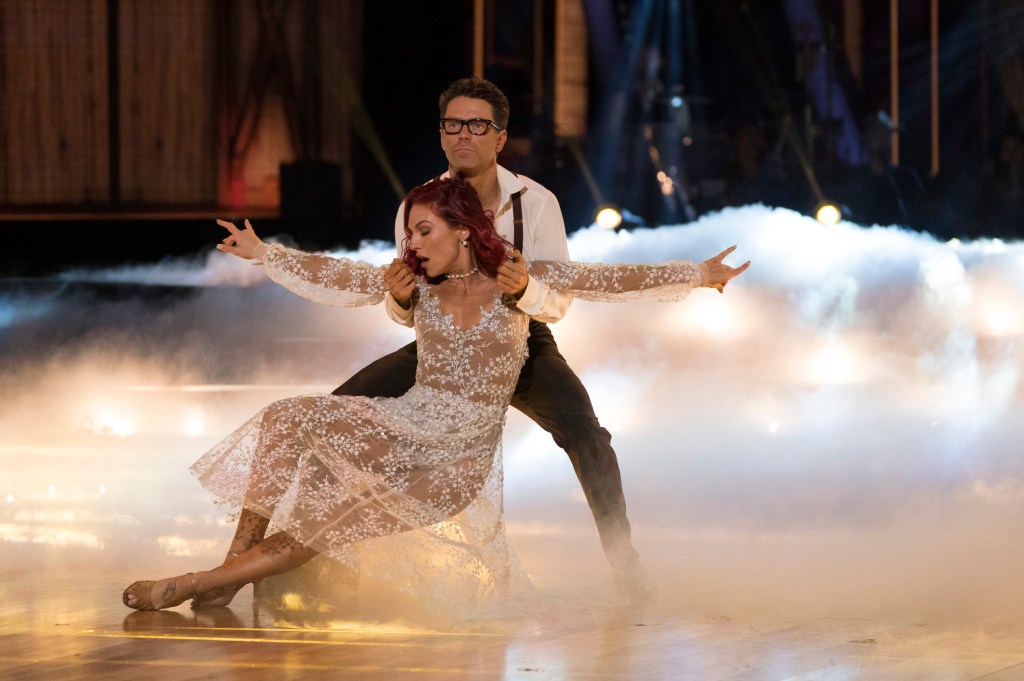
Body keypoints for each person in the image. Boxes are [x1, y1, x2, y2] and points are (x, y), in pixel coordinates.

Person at [121, 175, 748, 612]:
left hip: (457, 459)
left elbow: (611, 279)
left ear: (464, 232)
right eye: (409, 233)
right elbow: (337, 272)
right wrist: (263, 254)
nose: (411, 244)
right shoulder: (416, 285)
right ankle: (230, 569)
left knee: (326, 522)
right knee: (289, 418)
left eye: (422, 232)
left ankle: (192, 582)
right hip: (408, 423)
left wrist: (700, 274)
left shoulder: (517, 275)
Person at [335, 77, 658, 599]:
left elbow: (561, 300)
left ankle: (625, 562)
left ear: (500, 138)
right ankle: (328, 554)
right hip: (443, 351)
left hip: (523, 343)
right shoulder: (417, 205)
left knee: (586, 434)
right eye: (453, 124)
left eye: (478, 125)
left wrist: (528, 288)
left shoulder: (537, 203)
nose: (465, 135)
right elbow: (406, 308)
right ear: (442, 135)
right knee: (341, 411)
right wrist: (396, 299)